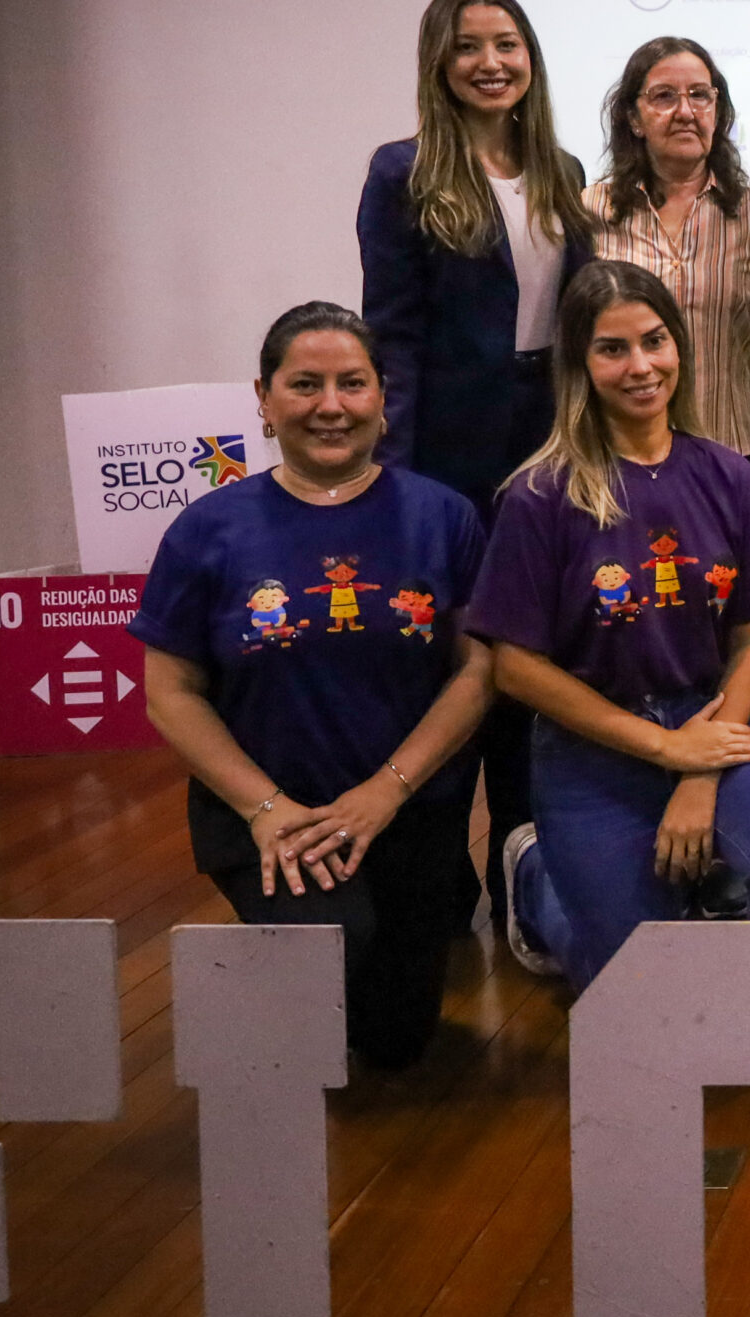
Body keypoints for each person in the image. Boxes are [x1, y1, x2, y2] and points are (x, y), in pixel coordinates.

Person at [466, 261, 750, 991]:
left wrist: (698, 768)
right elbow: (514, 666)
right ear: (580, 364)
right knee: (634, 984)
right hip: (591, 743)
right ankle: (538, 878)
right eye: (613, 349)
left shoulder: (728, 474)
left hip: (708, 718)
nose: (640, 366)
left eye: (654, 340)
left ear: (679, 345)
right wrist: (664, 748)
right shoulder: (539, 495)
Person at [135, 303, 493, 1069]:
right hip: (271, 813)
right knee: (328, 945)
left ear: (382, 397)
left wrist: (388, 790)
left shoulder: (445, 517)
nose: (331, 405)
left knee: (395, 1043)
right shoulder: (207, 530)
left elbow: (478, 668)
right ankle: (267, 1006)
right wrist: (265, 808)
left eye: (352, 383)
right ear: (263, 399)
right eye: (304, 384)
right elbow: (170, 690)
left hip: (409, 810)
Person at [357, 0, 594, 932]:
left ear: (531, 57)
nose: (491, 62)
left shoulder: (561, 169)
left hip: (547, 443)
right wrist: (396, 480)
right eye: (469, 46)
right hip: (446, 453)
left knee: (531, 655)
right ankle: (438, 879)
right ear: (439, 63)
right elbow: (393, 336)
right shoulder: (402, 172)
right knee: (452, 656)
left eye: (507, 44)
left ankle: (526, 867)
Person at [588, 35, 750, 493]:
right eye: (664, 96)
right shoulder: (590, 211)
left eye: (700, 95)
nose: (685, 111)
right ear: (633, 118)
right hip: (617, 460)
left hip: (730, 457)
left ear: (717, 112)